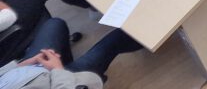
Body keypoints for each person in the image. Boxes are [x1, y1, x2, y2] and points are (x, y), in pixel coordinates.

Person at [0, 17, 141, 89]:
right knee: (114, 41)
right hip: (62, 82)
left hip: (26, 71)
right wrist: (58, 70)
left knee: (55, 24)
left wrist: (22, 64)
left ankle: (66, 61)